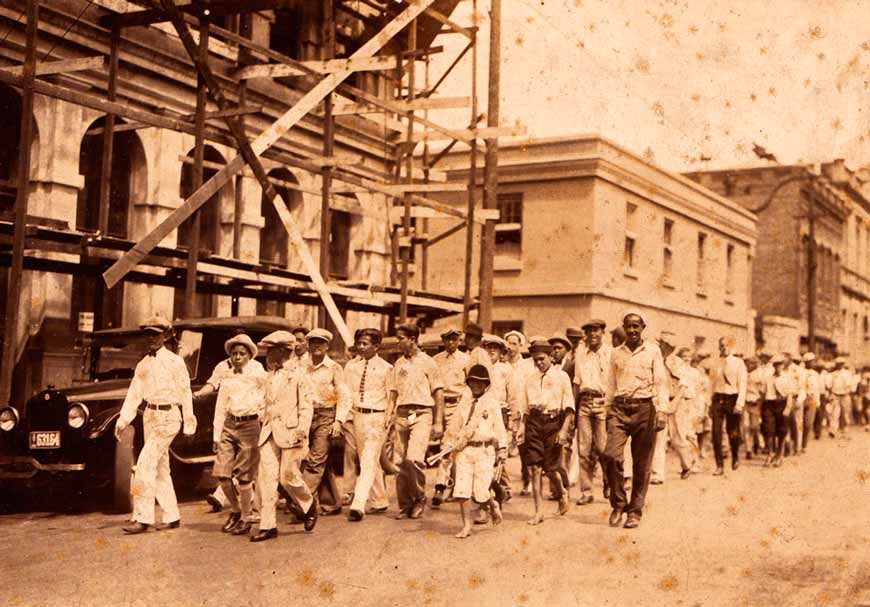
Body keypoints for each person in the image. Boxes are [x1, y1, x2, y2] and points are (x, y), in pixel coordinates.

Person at [114, 316, 197, 534]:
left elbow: (185, 392)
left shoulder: (175, 362)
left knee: (144, 465)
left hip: (169, 416)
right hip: (150, 415)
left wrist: (189, 424)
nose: (151, 338)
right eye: (148, 334)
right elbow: (134, 394)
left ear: (166, 336)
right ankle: (172, 515)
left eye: (156, 334)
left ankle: (143, 518)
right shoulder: (143, 364)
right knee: (160, 468)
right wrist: (123, 419)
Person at [602, 311, 669, 530]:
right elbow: (611, 383)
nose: (632, 330)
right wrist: (607, 411)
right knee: (610, 455)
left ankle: (635, 511)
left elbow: (660, 382)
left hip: (645, 409)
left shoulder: (653, 351)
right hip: (619, 408)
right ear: (623, 327)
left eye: (636, 326)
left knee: (642, 464)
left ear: (642, 328)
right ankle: (618, 504)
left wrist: (662, 411)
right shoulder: (615, 353)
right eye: (628, 326)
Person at [253, 331, 317, 541]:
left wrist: (302, 430)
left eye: (270, 350)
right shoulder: (270, 376)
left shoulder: (300, 375)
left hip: (292, 432)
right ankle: (268, 525)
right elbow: (267, 402)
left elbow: (306, 406)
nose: (267, 355)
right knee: (266, 479)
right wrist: (262, 417)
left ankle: (308, 504)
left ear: (282, 351)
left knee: (288, 477)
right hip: (269, 432)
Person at [515, 337, 574, 525]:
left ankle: (562, 492)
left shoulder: (561, 377)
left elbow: (569, 407)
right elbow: (524, 408)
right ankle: (538, 511)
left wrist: (564, 430)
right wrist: (521, 428)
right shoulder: (529, 379)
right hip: (534, 422)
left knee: (550, 468)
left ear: (550, 356)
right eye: (535, 360)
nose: (539, 363)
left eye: (542, 359)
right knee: (533, 467)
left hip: (553, 422)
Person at [212, 333, 267, 536]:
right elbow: (220, 406)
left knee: (244, 477)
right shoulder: (227, 376)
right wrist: (216, 436)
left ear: (249, 356)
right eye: (234, 353)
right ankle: (235, 510)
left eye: (242, 354)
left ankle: (246, 516)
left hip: (249, 426)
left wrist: (261, 414)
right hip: (229, 424)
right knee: (222, 474)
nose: (237, 357)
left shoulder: (258, 373)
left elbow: (268, 395)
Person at [445, 365, 508, 539]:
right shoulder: (464, 403)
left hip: (484, 450)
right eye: (472, 382)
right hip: (465, 450)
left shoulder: (492, 403)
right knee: (462, 490)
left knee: (480, 492)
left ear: (486, 384)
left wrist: (502, 449)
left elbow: (500, 429)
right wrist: (448, 444)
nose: (476, 385)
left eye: (480, 383)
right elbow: (454, 426)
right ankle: (466, 525)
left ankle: (492, 503)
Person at [392, 323, 444, 519]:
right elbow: (394, 392)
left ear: (412, 339)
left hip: (421, 413)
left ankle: (420, 497)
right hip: (403, 414)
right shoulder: (398, 364)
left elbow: (438, 392)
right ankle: (405, 504)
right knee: (399, 461)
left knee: (413, 459)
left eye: (401, 338)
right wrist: (390, 414)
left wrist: (438, 422)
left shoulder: (428, 362)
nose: (398, 342)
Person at [344, 328, 394, 522]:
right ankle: (380, 500)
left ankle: (358, 504)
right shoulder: (350, 367)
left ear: (376, 346)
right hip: (358, 416)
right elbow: (347, 393)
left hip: (377, 416)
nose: (361, 347)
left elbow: (391, 396)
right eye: (359, 343)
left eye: (365, 344)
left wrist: (388, 418)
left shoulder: (386, 368)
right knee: (369, 460)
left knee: (368, 459)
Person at [300, 328, 351, 515]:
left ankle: (300, 504)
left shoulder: (334, 368)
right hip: (304, 416)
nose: (316, 346)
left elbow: (343, 396)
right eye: (313, 342)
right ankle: (331, 503)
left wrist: (338, 422)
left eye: (321, 342)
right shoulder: (301, 367)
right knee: (317, 460)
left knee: (316, 459)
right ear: (308, 345)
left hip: (326, 416)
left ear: (327, 346)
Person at [572, 319, 611, 505]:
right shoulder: (581, 354)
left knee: (603, 448)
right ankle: (587, 491)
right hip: (585, 403)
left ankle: (608, 481)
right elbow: (577, 382)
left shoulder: (610, 353)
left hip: (603, 402)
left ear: (603, 332)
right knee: (584, 449)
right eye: (589, 331)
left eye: (596, 331)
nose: (592, 335)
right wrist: (573, 408)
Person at [432, 328, 469, 507]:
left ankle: (442, 486)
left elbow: (470, 385)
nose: (451, 343)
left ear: (460, 341)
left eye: (455, 339)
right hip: (440, 404)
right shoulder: (436, 360)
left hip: (458, 404)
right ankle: (446, 484)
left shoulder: (466, 359)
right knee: (446, 445)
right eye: (448, 339)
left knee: (450, 445)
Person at [651, 337, 696, 482]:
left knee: (678, 437)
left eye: (670, 346)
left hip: (676, 400)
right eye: (665, 345)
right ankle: (658, 473)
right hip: (660, 401)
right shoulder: (654, 359)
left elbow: (684, 383)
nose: (667, 348)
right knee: (659, 437)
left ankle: (686, 464)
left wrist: (675, 402)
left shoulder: (676, 362)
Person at [481, 334, 516, 506]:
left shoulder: (506, 369)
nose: (492, 350)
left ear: (501, 351)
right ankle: (499, 489)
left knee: (498, 452)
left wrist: (513, 420)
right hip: (484, 413)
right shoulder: (480, 368)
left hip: (501, 412)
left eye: (495, 347)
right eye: (489, 347)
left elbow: (513, 396)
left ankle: (499, 490)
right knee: (486, 452)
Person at [710, 336, 748, 475]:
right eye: (721, 345)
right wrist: (710, 403)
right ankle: (719, 465)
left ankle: (735, 456)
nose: (723, 348)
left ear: (731, 347)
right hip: (718, 398)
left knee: (733, 431)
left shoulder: (738, 363)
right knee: (716, 433)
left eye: (726, 345)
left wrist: (739, 404)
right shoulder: (715, 363)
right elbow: (711, 384)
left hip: (732, 398)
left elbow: (742, 383)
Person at [504, 330, 534, 494]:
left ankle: (527, 480)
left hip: (522, 412)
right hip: (506, 412)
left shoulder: (527, 366)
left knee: (524, 449)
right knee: (503, 448)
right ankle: (502, 484)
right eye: (508, 343)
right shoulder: (503, 365)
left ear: (520, 346)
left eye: (514, 343)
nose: (510, 347)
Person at [548, 333, 575, 497]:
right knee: (551, 451)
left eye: (559, 348)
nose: (555, 351)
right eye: (553, 348)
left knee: (564, 451)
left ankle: (564, 486)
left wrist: (571, 418)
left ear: (566, 350)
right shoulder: (549, 367)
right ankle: (556, 489)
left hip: (566, 413)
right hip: (552, 414)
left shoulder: (571, 366)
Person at [763, 355, 792, 467]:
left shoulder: (787, 378)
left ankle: (779, 455)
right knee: (769, 429)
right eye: (776, 364)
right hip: (769, 404)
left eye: (780, 364)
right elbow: (764, 393)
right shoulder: (768, 378)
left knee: (782, 431)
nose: (778, 366)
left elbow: (789, 395)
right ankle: (770, 453)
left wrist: (787, 408)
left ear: (783, 365)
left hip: (782, 405)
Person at [800, 353, 821, 453]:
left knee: (808, 423)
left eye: (812, 361)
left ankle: (804, 444)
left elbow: (817, 389)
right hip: (802, 398)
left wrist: (817, 401)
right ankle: (798, 443)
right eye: (809, 361)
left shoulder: (815, 374)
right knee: (800, 422)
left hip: (812, 399)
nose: (811, 363)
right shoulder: (800, 372)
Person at [829, 357, 852, 437]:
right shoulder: (833, 374)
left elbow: (849, 385)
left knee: (845, 413)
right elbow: (829, 385)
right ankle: (833, 430)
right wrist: (831, 394)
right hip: (835, 394)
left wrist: (847, 392)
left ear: (843, 364)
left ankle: (845, 429)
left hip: (845, 395)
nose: (839, 365)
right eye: (838, 364)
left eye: (841, 364)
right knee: (835, 413)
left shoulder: (847, 373)